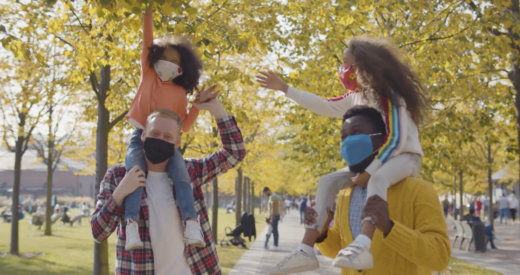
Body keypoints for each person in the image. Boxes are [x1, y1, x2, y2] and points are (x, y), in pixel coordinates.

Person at [258, 35, 426, 272]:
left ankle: (364, 244)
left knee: (378, 179)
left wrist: (369, 172)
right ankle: (306, 250)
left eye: (348, 65)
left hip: (404, 157)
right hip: (376, 162)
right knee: (327, 181)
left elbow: (397, 139)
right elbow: (324, 105)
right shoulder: (357, 97)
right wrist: (285, 88)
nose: (344, 71)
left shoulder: (389, 96)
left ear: (366, 66)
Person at [269, 106, 449, 275]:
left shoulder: (418, 190)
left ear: (381, 140)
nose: (349, 142)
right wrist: (323, 233)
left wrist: (389, 227)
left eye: (357, 133)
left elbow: (440, 257)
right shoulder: (346, 193)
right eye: (344, 137)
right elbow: (339, 249)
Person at [91, 97, 246, 275]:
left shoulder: (191, 172)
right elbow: (98, 232)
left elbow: (235, 152)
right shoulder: (118, 176)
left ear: (177, 142)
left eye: (168, 137)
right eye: (155, 134)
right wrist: (119, 194)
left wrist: (216, 108)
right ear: (143, 135)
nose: (160, 140)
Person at [123, 4, 219, 251]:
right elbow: (146, 41)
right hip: (140, 136)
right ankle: (131, 224)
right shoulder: (148, 73)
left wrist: (198, 103)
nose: (166, 63)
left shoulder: (178, 93)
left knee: (181, 176)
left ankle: (191, 223)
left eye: (173, 61)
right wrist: (147, 12)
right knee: (135, 174)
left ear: (182, 68)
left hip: (168, 143)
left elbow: (184, 125)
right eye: (162, 58)